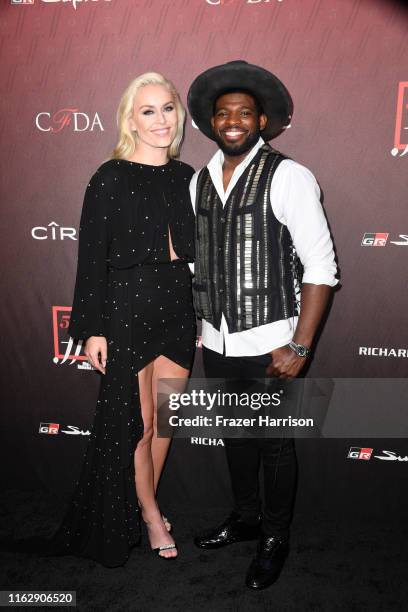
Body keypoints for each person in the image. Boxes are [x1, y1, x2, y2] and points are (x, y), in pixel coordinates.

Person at [187, 60, 338, 589]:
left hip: (273, 339)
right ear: (210, 121)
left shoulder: (289, 175)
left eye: (244, 113)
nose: (233, 121)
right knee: (235, 436)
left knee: (274, 444)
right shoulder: (198, 182)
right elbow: (197, 261)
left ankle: (276, 535)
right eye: (223, 113)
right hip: (217, 339)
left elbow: (320, 267)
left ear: (261, 120)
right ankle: (247, 519)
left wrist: (299, 346)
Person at [53, 72, 196, 564]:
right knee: (137, 422)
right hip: (128, 308)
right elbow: (91, 258)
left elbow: (200, 252)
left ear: (179, 115)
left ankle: (143, 503)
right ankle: (153, 516)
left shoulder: (187, 177)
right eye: (148, 111)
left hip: (178, 307)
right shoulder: (109, 177)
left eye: (168, 108)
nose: (160, 120)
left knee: (166, 421)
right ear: (130, 120)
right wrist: (92, 328)